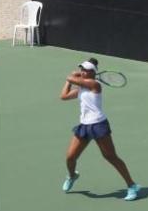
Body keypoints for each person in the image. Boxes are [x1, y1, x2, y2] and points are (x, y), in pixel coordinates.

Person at [60, 59, 140, 201]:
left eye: (85, 70)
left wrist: (72, 76)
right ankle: (72, 176)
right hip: (84, 126)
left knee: (110, 156)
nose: (82, 71)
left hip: (98, 125)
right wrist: (69, 81)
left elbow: (71, 77)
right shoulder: (82, 88)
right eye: (81, 69)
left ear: (93, 72)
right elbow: (63, 96)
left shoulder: (95, 84)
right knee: (70, 157)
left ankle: (132, 185)